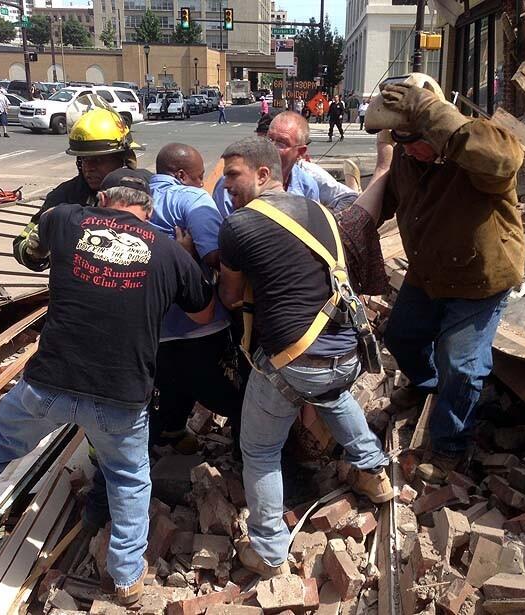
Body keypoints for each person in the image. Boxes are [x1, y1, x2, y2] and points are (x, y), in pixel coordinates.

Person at [0, 169, 215, 606]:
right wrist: (181, 256)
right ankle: (128, 577)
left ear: (102, 198)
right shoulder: (170, 252)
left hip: (49, 385)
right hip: (121, 396)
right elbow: (203, 316)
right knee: (129, 479)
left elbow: (36, 239)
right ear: (148, 209)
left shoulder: (65, 220)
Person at [216, 137, 392, 578]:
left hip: (291, 365)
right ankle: (376, 475)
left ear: (262, 174)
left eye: (233, 175)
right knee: (335, 396)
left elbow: (231, 297)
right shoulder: (321, 213)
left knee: (258, 451)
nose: (224, 185)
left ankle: (270, 552)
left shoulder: (239, 226)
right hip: (344, 353)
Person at [365, 73, 524, 471]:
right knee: (402, 336)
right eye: (401, 143)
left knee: (461, 361)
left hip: (480, 276)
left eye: (417, 139)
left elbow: (505, 159)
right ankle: (428, 386)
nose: (411, 152)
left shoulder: (478, 152)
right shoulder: (408, 156)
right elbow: (390, 200)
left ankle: (451, 443)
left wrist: (430, 112)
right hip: (430, 269)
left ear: (438, 125)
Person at [147, 143, 244, 452]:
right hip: (200, 326)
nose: (204, 183)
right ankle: (249, 454)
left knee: (170, 384)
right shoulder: (191, 198)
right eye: (200, 176)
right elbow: (217, 255)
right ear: (181, 174)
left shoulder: (136, 198)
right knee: (235, 397)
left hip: (153, 329)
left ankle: (170, 435)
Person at [13, 107, 144, 270]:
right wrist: (33, 252)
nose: (89, 168)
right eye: (84, 160)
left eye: (98, 160)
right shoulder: (65, 196)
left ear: (122, 159)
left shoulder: (144, 195)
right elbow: (22, 241)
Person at [213, 111, 319, 218]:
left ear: (300, 152)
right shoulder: (232, 183)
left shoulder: (307, 187)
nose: (271, 147)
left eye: (281, 143)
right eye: (269, 139)